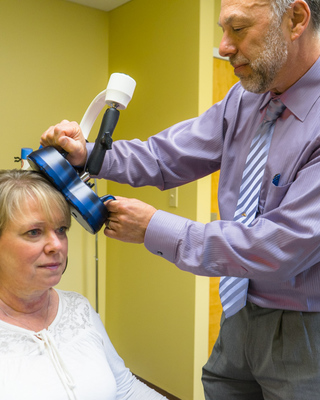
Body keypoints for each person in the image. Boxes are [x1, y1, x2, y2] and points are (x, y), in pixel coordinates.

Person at [41, 0, 320, 398]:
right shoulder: (244, 101)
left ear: (296, 19)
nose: (224, 46)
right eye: (223, 29)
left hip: (305, 327)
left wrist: (154, 228)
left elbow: (277, 247)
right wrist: (89, 154)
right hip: (240, 307)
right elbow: (166, 155)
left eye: (238, 29)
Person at [0, 169, 167, 400]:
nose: (56, 245)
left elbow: (126, 389)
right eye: (34, 232)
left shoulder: (78, 308)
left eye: (61, 230)